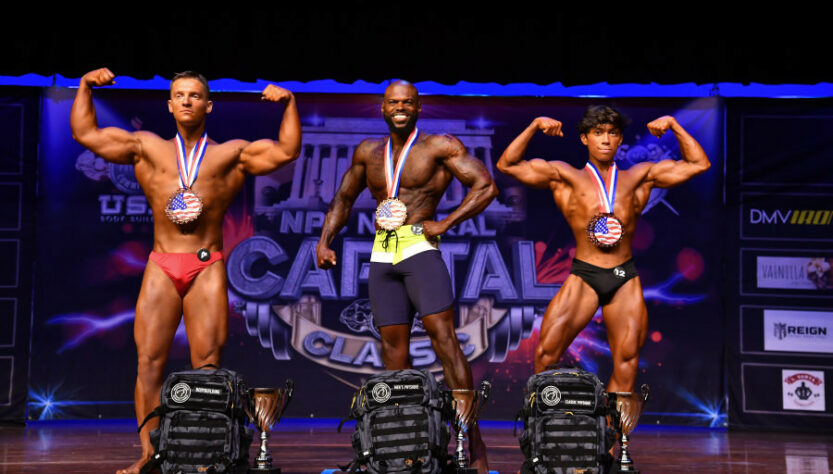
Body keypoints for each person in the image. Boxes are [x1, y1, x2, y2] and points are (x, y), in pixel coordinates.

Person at [70, 67, 301, 474]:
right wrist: (85, 86)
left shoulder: (230, 154)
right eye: (180, 95)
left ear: (208, 105)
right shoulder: (146, 147)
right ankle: (149, 454)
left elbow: (286, 151)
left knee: (207, 365)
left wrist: (290, 104)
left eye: (195, 95)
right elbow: (86, 134)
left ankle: (203, 452)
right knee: (148, 362)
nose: (187, 101)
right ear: (170, 104)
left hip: (206, 265)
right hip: (162, 264)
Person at [315, 80, 497, 472]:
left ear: (418, 108)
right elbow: (344, 198)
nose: (400, 108)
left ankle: (473, 444)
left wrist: (445, 222)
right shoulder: (368, 152)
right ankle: (403, 444)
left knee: (445, 342)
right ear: (383, 108)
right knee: (392, 352)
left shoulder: (439, 147)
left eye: (408, 102)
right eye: (394, 102)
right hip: (382, 254)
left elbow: (485, 186)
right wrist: (325, 240)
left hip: (419, 249)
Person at [497, 106, 710, 391]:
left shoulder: (640, 177)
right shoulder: (565, 176)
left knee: (627, 362)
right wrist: (534, 126)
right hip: (585, 275)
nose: (606, 140)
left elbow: (698, 164)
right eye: (598, 133)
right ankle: (548, 418)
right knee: (546, 355)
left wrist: (674, 124)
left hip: (623, 277)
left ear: (620, 139)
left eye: (612, 133)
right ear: (585, 138)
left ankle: (613, 421)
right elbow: (507, 165)